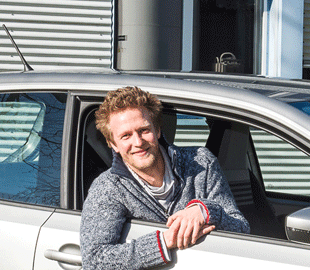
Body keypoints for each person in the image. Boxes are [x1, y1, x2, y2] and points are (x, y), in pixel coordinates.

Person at [80, 86, 249, 269]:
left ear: (158, 130)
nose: (138, 142)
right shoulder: (108, 189)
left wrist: (205, 211)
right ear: (113, 144)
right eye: (126, 136)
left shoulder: (202, 162)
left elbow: (241, 229)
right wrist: (164, 241)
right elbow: (95, 261)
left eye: (144, 130)